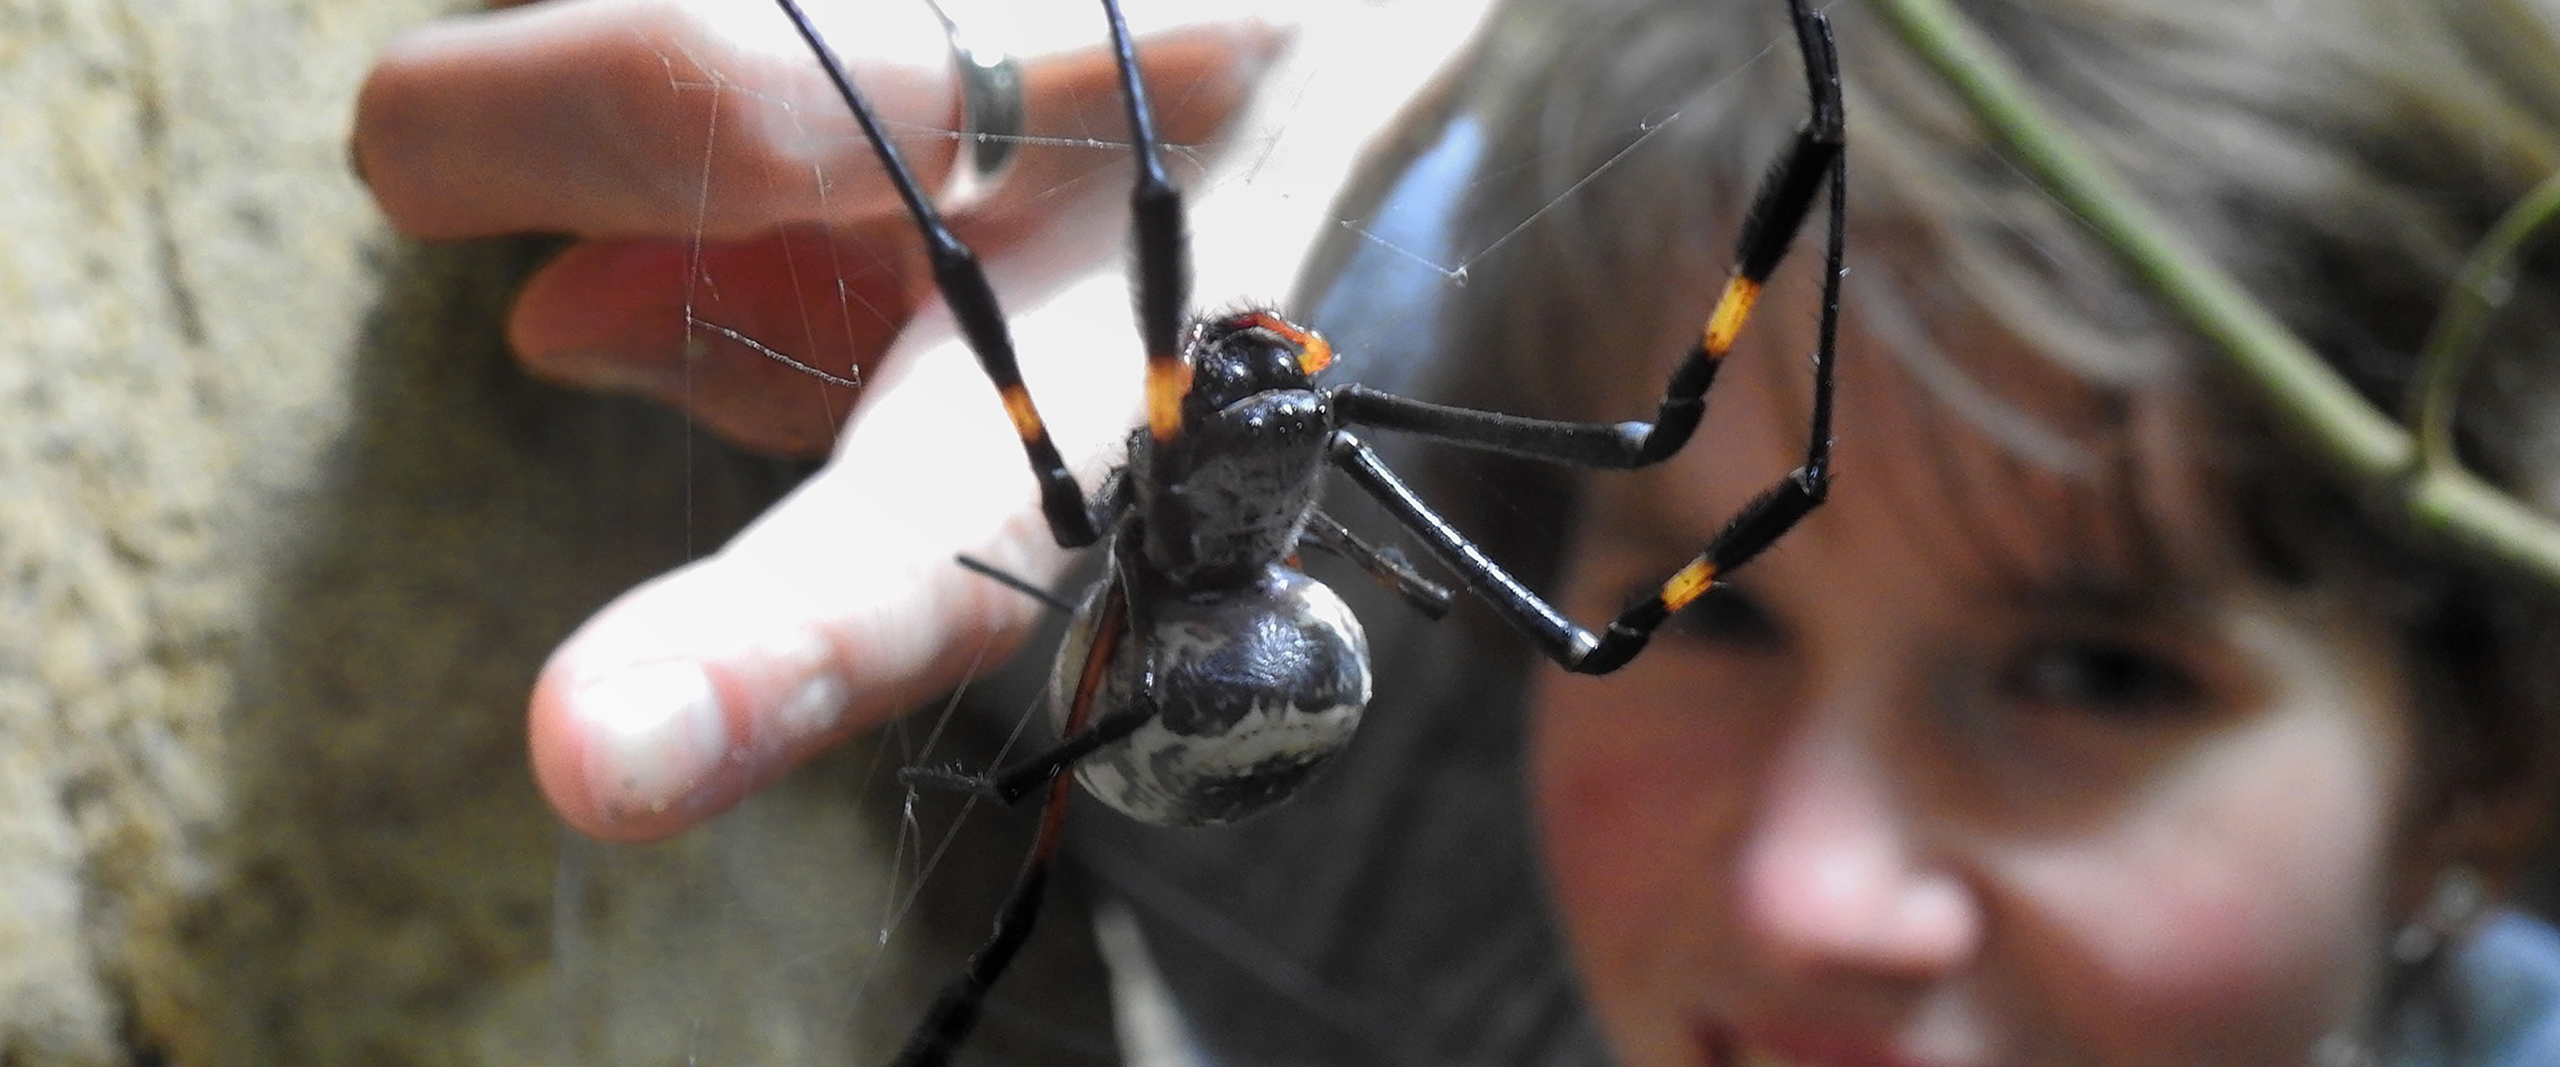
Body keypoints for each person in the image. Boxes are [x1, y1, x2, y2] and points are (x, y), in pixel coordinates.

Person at [354, 0, 2560, 1064]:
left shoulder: (1448, 841)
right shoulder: (1446, 785)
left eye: (2098, 672)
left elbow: (1683, 438)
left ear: (2486, 783)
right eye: (1726, 628)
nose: (1812, 893)